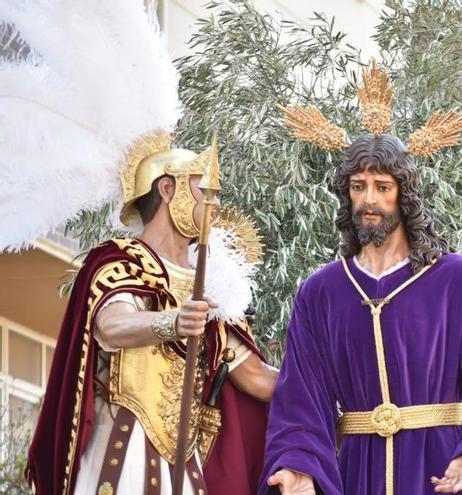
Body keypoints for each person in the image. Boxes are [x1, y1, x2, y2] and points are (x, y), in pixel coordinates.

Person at [261, 62, 462, 495]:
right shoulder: (322, 292)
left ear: (404, 193)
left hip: (440, 469)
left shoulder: (460, 281)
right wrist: (298, 466)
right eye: (358, 186)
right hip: (357, 472)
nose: (369, 199)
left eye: (383, 186)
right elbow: (300, 401)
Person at [26, 134, 278, 495]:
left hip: (185, 462)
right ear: (167, 189)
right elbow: (113, 325)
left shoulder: (213, 284)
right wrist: (172, 322)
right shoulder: (120, 260)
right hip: (119, 450)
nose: (216, 204)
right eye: (205, 189)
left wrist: (328, 390)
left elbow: (255, 377)